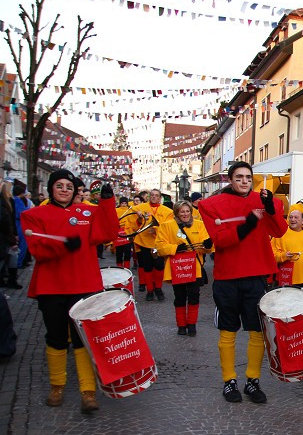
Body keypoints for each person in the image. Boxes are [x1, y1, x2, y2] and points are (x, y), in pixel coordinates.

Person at [21, 169, 119, 413]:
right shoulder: (33, 215)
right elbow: (37, 249)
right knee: (55, 337)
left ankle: (88, 391)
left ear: (75, 190)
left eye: (68, 186)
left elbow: (107, 233)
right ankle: (57, 386)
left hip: (83, 284)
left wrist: (107, 203)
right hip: (51, 286)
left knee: (81, 340)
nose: (64, 190)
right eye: (59, 185)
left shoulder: (88, 212)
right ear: (51, 189)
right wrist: (63, 246)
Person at [198, 161, 287, 404]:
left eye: (248, 177)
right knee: (228, 331)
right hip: (227, 278)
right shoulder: (211, 205)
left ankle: (252, 381)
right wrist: (248, 223)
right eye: (239, 177)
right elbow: (221, 241)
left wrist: (270, 208)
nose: (245, 181)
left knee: (256, 332)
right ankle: (229, 382)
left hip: (256, 276)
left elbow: (279, 231)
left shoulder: (264, 200)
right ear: (230, 179)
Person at [155, 201, 211, 336]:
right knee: (179, 297)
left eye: (187, 211)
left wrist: (208, 244)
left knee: (194, 296)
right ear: (176, 213)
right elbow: (160, 247)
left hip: (194, 267)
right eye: (182, 211)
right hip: (177, 268)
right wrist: (175, 248)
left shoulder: (200, 225)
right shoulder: (166, 226)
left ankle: (192, 324)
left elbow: (207, 247)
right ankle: (181, 325)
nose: (185, 214)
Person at [133, 189, 174, 301]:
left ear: (160, 198)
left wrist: (156, 229)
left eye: (156, 195)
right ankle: (149, 290)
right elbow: (132, 222)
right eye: (152, 195)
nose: (154, 197)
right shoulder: (139, 208)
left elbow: (168, 226)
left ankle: (158, 288)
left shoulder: (167, 211)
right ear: (148, 197)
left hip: (159, 242)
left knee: (159, 266)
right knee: (147, 267)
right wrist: (138, 217)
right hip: (144, 241)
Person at [271, 209, 303, 295]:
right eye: (290, 217)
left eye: (296, 217)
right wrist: (284, 256)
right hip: (286, 278)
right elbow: (272, 255)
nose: (292, 219)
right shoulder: (280, 234)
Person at [1, 182, 19, 289]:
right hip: (5, 238)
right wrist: (13, 238)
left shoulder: (8, 202)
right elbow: (7, 222)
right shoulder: (5, 203)